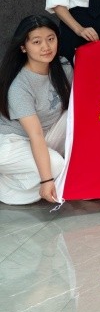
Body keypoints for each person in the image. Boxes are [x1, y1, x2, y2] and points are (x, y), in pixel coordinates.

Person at [0, 16, 72, 205]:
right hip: (11, 143)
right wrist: (46, 180)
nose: (46, 47)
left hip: (44, 134)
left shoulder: (63, 66)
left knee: (75, 116)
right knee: (55, 166)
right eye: (37, 42)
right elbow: (35, 134)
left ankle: (26, 176)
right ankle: (5, 186)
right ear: (24, 47)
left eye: (51, 39)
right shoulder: (19, 86)